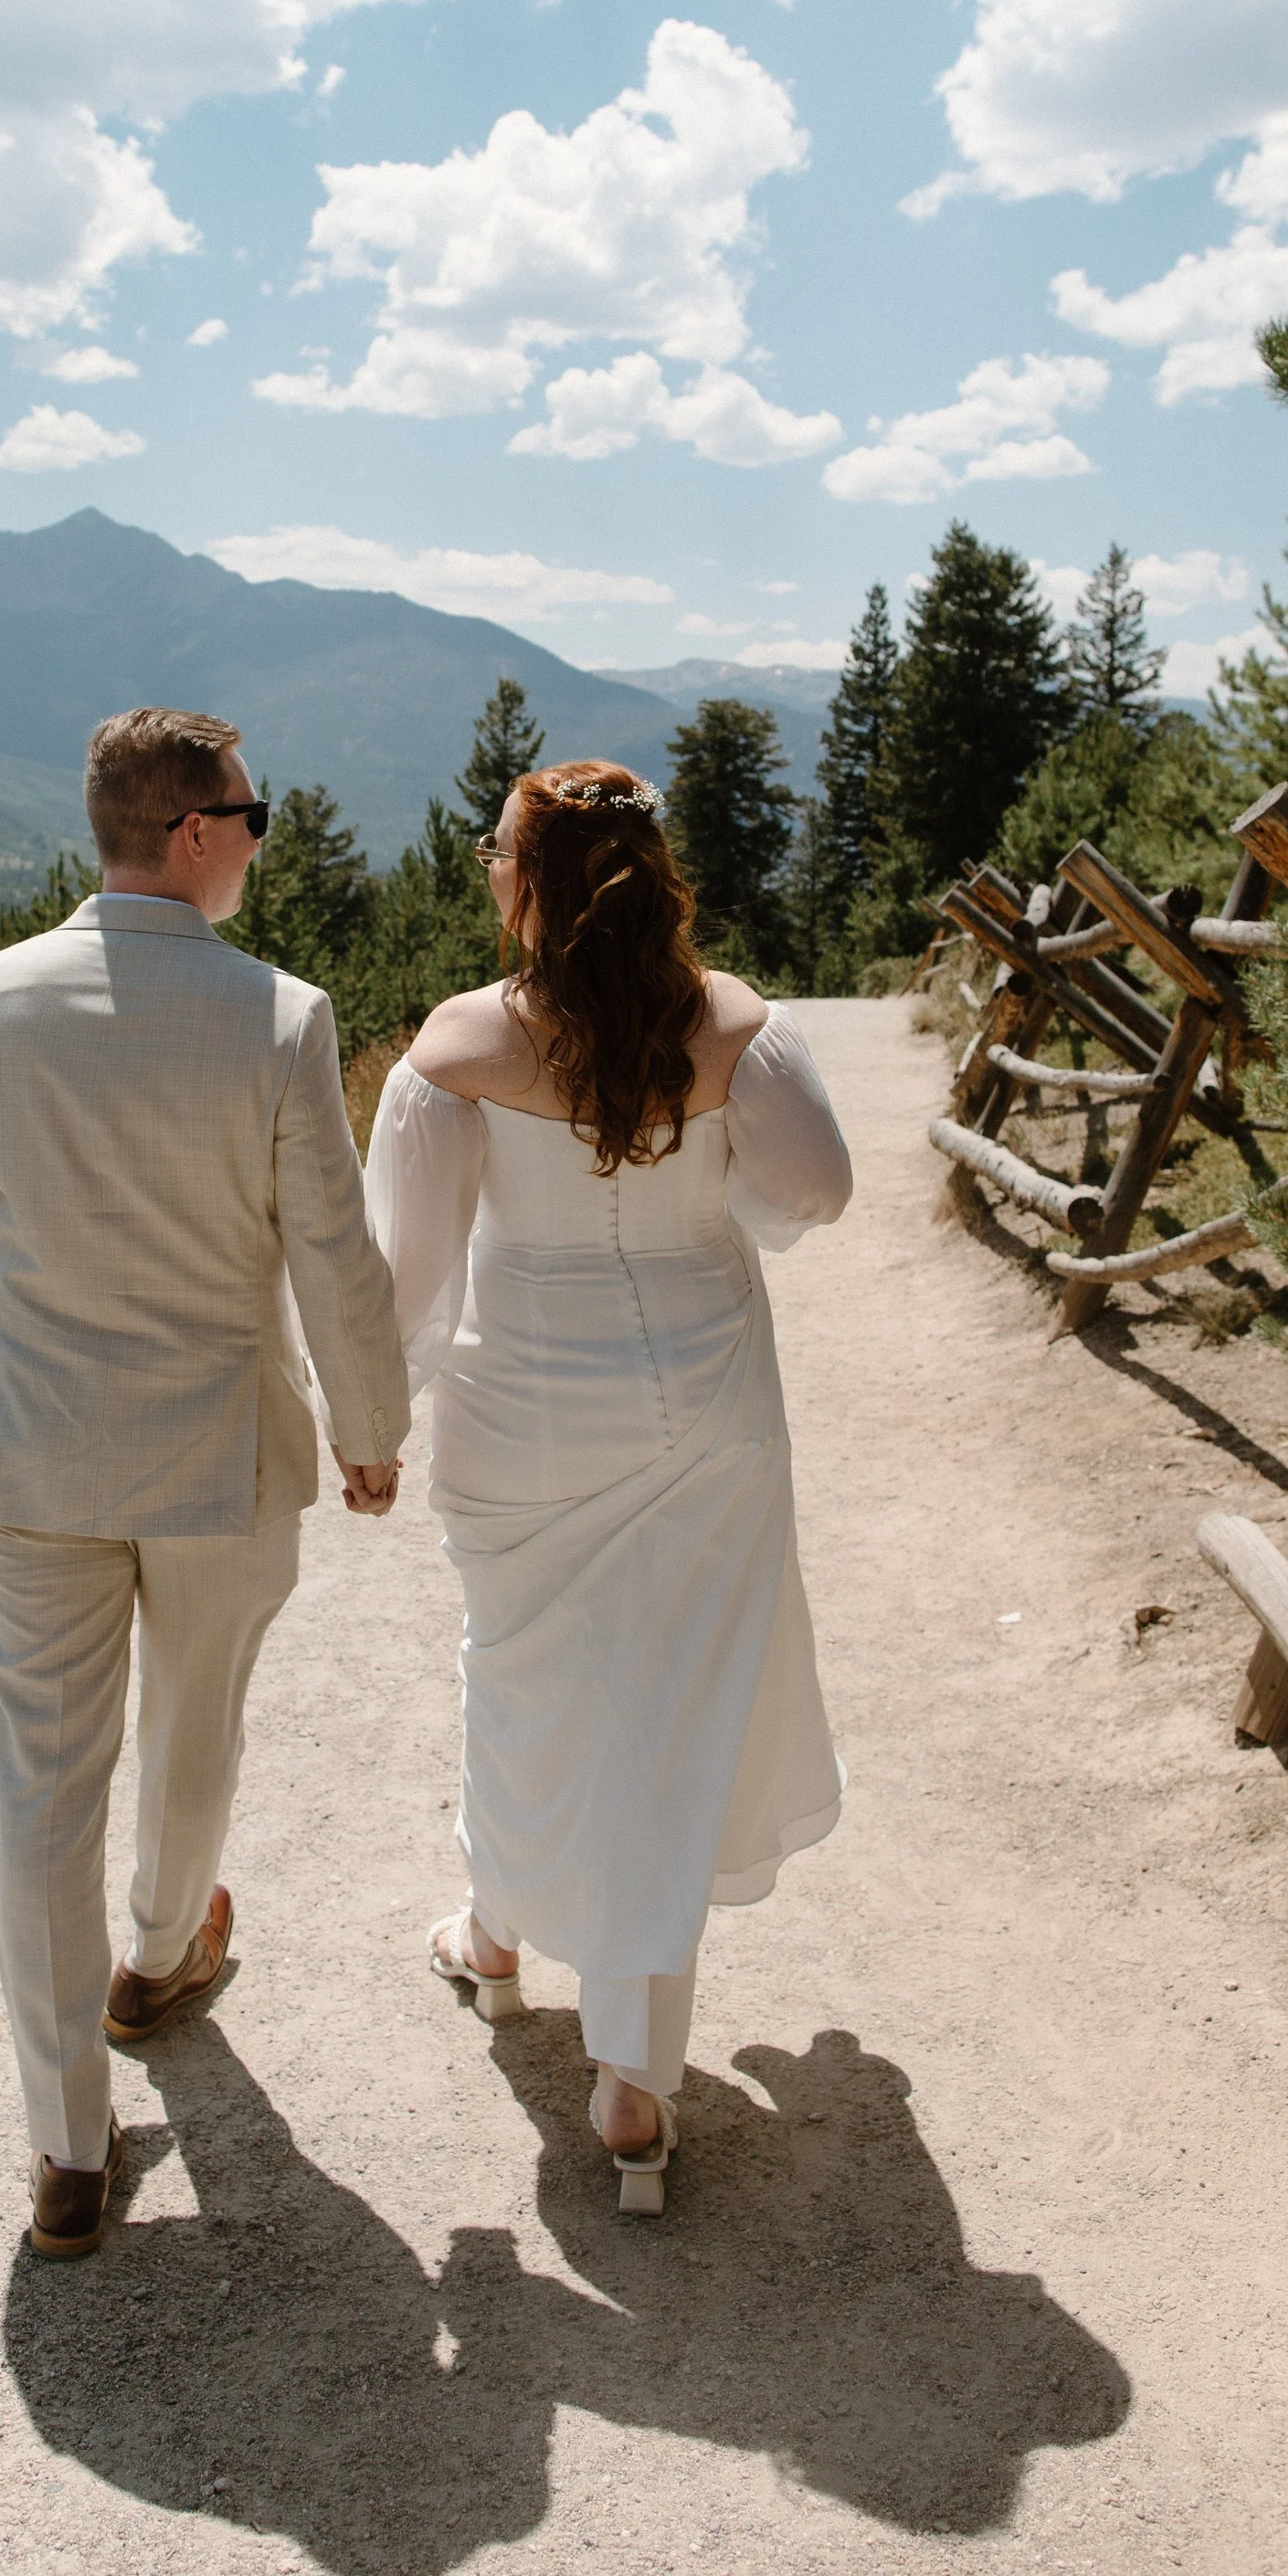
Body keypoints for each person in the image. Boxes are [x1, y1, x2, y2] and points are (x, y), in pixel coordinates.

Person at [0, 706, 409, 2260]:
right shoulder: (279, 1017)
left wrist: (38, 1329)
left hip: (43, 1444)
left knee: (41, 1788)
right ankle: (155, 1957)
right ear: (193, 833)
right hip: (220, 1448)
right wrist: (368, 1422)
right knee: (201, 1722)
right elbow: (331, 1242)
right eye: (251, 816)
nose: (260, 838)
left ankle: (67, 2150)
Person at [365, 760, 851, 2214]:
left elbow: (404, 1278)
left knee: (524, 1681)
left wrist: (374, 1414)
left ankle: (499, 1937)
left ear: (526, 881)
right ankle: (632, 2074)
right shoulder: (734, 1027)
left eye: (489, 857)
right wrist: (725, 1216)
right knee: (671, 1713)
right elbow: (813, 1194)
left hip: (521, 1410)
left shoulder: (458, 1049)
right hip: (706, 1401)